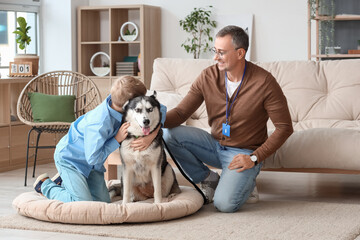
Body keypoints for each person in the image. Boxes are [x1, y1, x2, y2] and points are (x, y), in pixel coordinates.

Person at [163, 25, 293, 213]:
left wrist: (254, 158)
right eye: (214, 51)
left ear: (240, 53)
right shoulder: (208, 75)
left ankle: (247, 183)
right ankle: (210, 181)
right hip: (214, 144)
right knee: (169, 134)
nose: (215, 57)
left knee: (224, 205)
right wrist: (150, 121)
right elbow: (181, 113)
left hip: (243, 154)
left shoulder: (264, 82)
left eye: (221, 53)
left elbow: (284, 127)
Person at [33, 76, 166, 203]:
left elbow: (162, 110)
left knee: (103, 201)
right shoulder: (99, 124)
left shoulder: (119, 104)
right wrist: (116, 139)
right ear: (128, 105)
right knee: (83, 203)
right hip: (71, 159)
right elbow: (93, 158)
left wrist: (151, 136)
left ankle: (67, 181)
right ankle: (45, 185)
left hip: (92, 165)